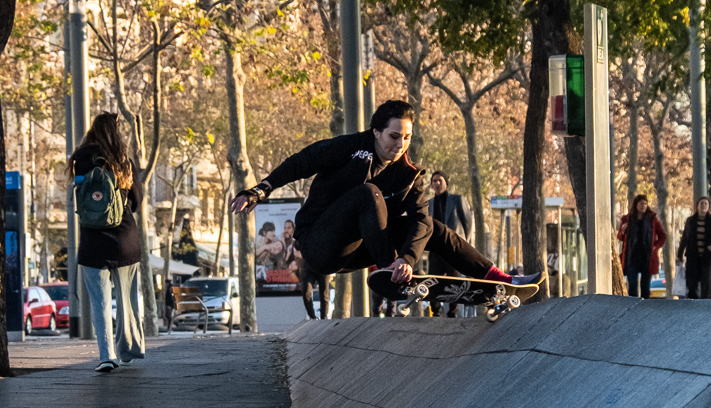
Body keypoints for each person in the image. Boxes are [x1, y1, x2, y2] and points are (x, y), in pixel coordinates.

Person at [229, 99, 540, 296]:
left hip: (361, 249)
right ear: (376, 132)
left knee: (434, 226)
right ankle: (387, 268)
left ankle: (499, 279)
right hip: (319, 243)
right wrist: (260, 189)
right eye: (394, 137)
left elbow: (419, 221)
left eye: (406, 138)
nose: (400, 145)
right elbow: (301, 162)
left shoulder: (409, 174)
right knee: (368, 194)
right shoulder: (349, 147)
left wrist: (407, 259)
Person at [69, 111, 146, 373]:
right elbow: (136, 199)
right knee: (126, 300)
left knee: (100, 302)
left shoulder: (81, 157)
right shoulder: (123, 161)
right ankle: (127, 350)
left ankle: (107, 355)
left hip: (92, 239)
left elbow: (79, 196)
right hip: (124, 237)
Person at [426, 171, 473, 316]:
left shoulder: (458, 200)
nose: (437, 183)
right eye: (434, 181)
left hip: (453, 249)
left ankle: (452, 313)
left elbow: (468, 223)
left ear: (446, 182)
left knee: (454, 283)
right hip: (436, 251)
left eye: (440, 180)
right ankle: (435, 311)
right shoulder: (429, 204)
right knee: (432, 282)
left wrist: (464, 245)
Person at [617, 194, 666, 298]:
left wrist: (655, 247)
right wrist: (623, 230)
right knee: (632, 285)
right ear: (636, 205)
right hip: (632, 256)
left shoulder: (652, 219)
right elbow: (620, 237)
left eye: (645, 203)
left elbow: (662, 236)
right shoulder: (627, 219)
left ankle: (644, 306)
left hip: (647, 256)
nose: (643, 206)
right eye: (641, 204)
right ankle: (633, 305)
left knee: (645, 286)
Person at [677, 196, 711, 299]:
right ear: (697, 206)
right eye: (701, 203)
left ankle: (704, 303)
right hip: (692, 256)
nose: (703, 205)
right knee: (692, 283)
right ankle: (693, 302)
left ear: (709, 207)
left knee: (705, 283)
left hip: (707, 258)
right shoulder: (690, 221)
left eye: (705, 204)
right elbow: (684, 238)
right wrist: (679, 254)